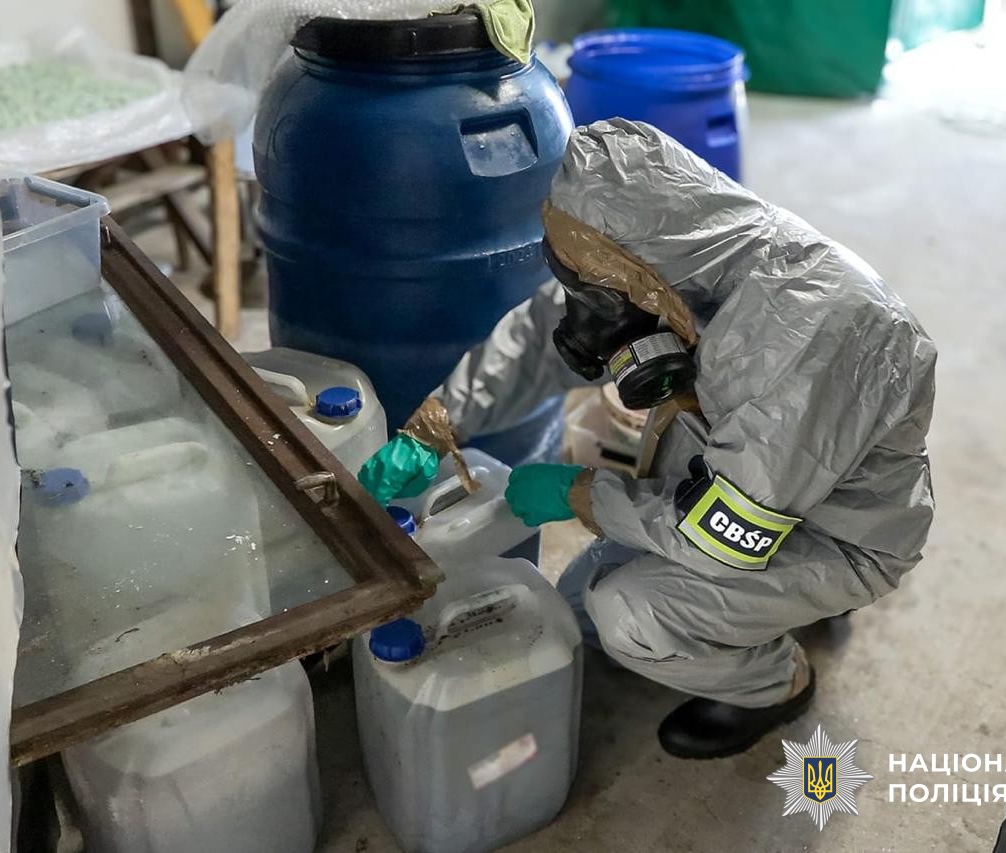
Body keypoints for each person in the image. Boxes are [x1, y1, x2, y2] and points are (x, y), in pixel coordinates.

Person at [358, 119, 936, 760]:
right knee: (573, 613)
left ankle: (776, 684)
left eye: (594, 293)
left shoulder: (805, 342)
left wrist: (582, 495)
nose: (584, 316)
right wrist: (438, 426)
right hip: (732, 478)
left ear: (644, 275)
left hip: (828, 532)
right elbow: (546, 331)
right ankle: (784, 607)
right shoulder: (685, 253)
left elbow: (724, 538)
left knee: (628, 618)